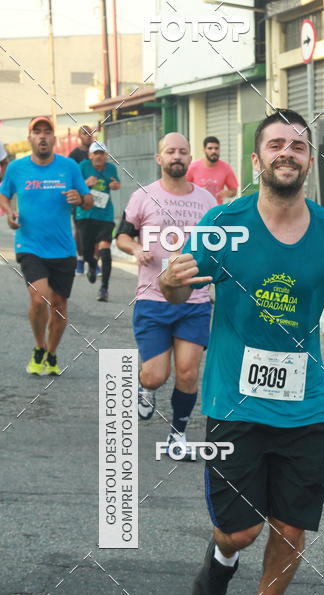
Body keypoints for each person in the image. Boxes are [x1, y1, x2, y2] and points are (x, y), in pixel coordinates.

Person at [159, 109, 324, 595]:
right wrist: (169, 281)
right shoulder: (224, 223)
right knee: (241, 532)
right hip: (234, 402)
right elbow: (179, 289)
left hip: (305, 405)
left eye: (298, 145)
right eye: (276, 144)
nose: (287, 152)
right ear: (257, 159)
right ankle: (221, 557)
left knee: (290, 525)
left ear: (309, 160)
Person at [116, 132, 216, 457]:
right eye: (171, 151)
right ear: (159, 158)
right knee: (156, 375)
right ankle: (144, 387)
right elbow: (122, 236)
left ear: (190, 158)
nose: (177, 156)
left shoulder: (207, 201)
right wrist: (136, 248)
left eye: (183, 151)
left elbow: (218, 245)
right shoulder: (143, 196)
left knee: (187, 371)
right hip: (152, 298)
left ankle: (177, 435)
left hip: (195, 300)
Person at [0, 115, 92, 376]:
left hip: (63, 248)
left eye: (47, 132)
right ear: (30, 138)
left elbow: (87, 200)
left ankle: (51, 354)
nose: (42, 136)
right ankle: (39, 346)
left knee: (60, 306)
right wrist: (9, 212)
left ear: (53, 138)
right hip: (30, 245)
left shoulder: (69, 167)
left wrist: (79, 198)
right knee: (39, 298)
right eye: (37, 132)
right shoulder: (17, 168)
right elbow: (4, 194)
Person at [75, 140, 120, 302]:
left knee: (105, 249)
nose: (99, 156)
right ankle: (92, 265)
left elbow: (117, 183)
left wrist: (115, 185)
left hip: (105, 215)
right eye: (96, 153)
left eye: (102, 153)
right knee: (87, 251)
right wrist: (85, 184)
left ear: (106, 156)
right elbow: (73, 186)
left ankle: (104, 289)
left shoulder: (111, 168)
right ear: (90, 155)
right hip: (85, 215)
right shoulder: (83, 167)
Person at [69, 125, 94, 272]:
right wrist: (84, 184)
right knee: (80, 230)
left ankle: (93, 261)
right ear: (79, 136)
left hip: (97, 198)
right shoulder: (74, 155)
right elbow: (69, 179)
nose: (88, 136)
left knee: (94, 230)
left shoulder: (97, 152)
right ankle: (80, 259)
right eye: (85, 133)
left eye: (90, 133)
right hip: (79, 199)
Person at [185, 136, 238, 204]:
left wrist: (226, 193)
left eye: (216, 148)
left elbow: (234, 191)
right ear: (204, 150)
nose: (214, 151)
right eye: (210, 148)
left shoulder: (226, 168)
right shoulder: (193, 167)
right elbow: (183, 187)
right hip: (198, 207)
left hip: (216, 208)